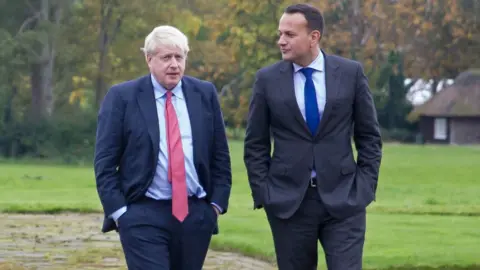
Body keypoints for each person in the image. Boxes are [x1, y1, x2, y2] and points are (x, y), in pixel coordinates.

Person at [243, 4, 382, 270]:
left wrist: (364, 186)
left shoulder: (351, 73)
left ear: (314, 37)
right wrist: (265, 193)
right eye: (280, 33)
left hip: (345, 201)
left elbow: (369, 138)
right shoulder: (267, 80)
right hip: (288, 204)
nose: (281, 41)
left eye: (289, 35)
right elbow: (255, 144)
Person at [94, 25, 232, 270]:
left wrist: (215, 206)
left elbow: (219, 155)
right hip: (142, 214)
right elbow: (104, 163)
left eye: (179, 57)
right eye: (166, 57)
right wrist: (121, 213)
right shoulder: (122, 97)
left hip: (195, 214)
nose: (174, 65)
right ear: (149, 59)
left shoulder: (204, 93)